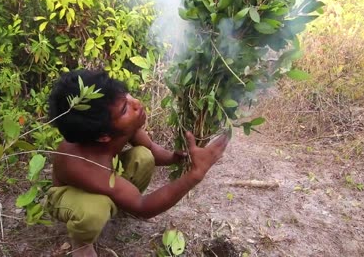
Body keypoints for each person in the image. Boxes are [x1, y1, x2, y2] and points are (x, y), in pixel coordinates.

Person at [47, 69, 229, 256]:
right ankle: (82, 242)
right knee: (94, 208)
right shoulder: (81, 163)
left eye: (127, 97)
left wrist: (176, 157)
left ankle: (123, 206)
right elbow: (143, 206)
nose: (136, 104)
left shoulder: (124, 128)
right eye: (125, 109)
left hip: (107, 180)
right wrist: (194, 175)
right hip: (67, 196)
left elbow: (152, 150)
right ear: (103, 137)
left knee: (143, 155)